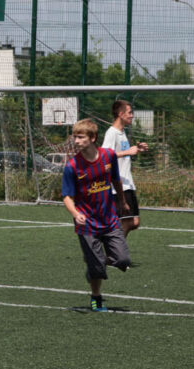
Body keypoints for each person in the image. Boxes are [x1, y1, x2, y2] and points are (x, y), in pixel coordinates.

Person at [62, 118, 131, 312]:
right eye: (75, 137)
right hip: (87, 224)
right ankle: (96, 297)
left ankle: (95, 266)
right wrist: (75, 213)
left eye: (81, 137)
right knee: (98, 267)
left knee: (124, 260)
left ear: (93, 138)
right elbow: (67, 196)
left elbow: (116, 180)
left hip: (109, 219)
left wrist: (122, 201)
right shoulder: (72, 166)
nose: (76, 141)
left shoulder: (108, 156)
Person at [101, 100, 148, 237]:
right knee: (129, 222)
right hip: (119, 184)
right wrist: (127, 152)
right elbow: (105, 157)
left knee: (134, 222)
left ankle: (114, 250)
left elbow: (121, 154)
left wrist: (137, 149)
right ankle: (113, 251)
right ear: (121, 114)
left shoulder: (122, 132)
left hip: (128, 183)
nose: (132, 115)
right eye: (129, 113)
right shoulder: (112, 133)